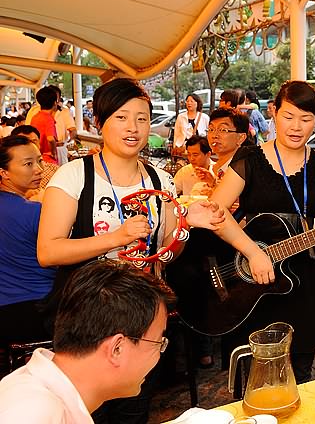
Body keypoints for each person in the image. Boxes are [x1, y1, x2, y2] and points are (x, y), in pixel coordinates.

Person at [36, 78, 223, 424]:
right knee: (83, 412)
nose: (133, 128)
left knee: (134, 410)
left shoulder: (159, 180)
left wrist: (187, 223)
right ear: (101, 121)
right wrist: (116, 237)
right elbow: (48, 252)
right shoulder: (73, 176)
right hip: (88, 317)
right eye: (122, 117)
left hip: (143, 318)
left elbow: (167, 250)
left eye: (141, 118)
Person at [206, 80, 315, 382]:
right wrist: (253, 252)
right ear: (274, 113)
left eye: (306, 119)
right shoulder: (250, 159)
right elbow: (216, 212)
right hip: (255, 282)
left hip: (306, 278)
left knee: (301, 372)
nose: (296, 126)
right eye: (288, 116)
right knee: (255, 373)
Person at [0, 260, 173, 423]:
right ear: (117, 349)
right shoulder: (33, 411)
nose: (158, 356)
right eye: (158, 342)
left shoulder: (48, 397)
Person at [0, 135, 52, 344]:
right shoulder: (35, 212)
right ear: (4, 173)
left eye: (39, 161)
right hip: (37, 311)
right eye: (28, 164)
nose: (39, 169)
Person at [29, 86, 60, 165]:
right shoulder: (48, 119)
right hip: (47, 160)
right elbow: (50, 139)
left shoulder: (35, 118)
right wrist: (53, 153)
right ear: (55, 102)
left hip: (36, 158)